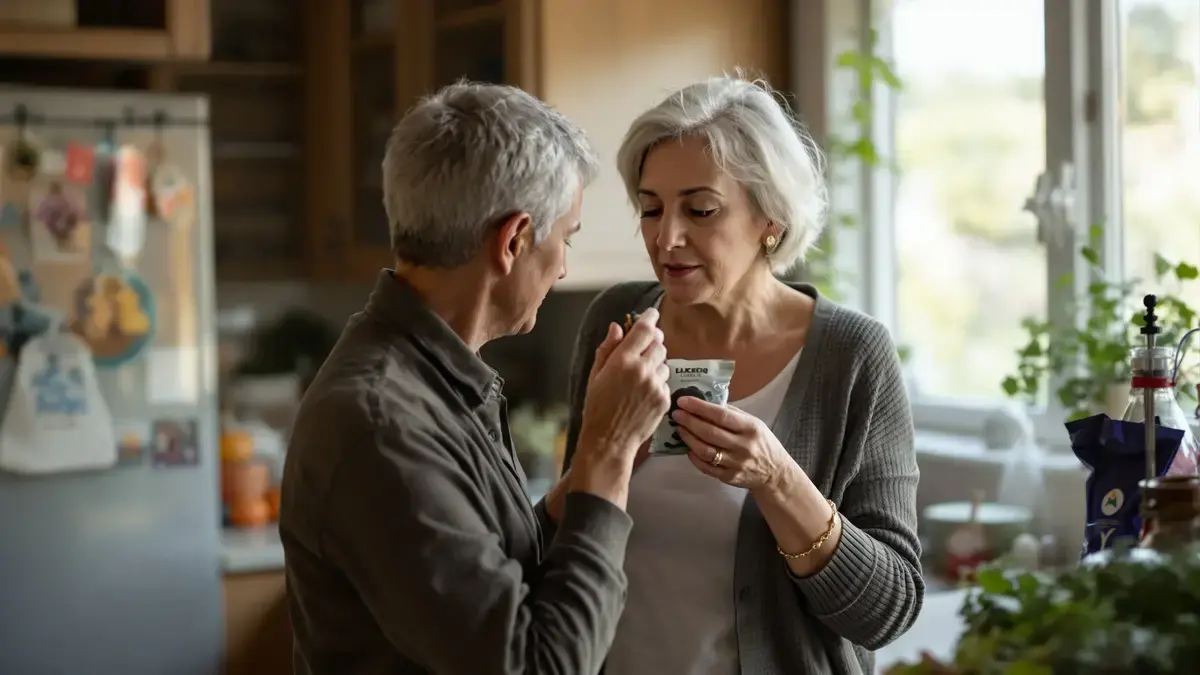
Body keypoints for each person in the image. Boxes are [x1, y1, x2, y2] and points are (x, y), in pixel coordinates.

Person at [280, 82, 672, 675]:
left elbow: (484, 573)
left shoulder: (431, 377)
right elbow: (539, 664)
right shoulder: (380, 426)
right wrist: (607, 456)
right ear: (514, 240)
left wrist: (582, 481)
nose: (564, 265)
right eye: (565, 237)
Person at [542, 76, 924, 674]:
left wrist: (776, 479)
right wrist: (604, 455)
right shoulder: (614, 323)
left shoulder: (851, 355)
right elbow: (557, 550)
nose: (666, 237)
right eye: (650, 208)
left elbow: (888, 611)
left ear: (770, 216)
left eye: (700, 209)